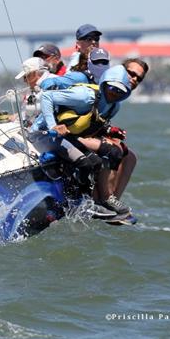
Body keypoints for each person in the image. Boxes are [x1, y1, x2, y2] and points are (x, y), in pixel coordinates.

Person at [34, 61, 147, 221]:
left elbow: (91, 123)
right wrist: (53, 126)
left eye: (120, 92)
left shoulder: (114, 106)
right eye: (112, 88)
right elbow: (46, 97)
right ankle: (87, 202)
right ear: (105, 83)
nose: (115, 93)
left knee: (108, 157)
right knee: (92, 160)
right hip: (46, 135)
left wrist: (109, 131)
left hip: (72, 136)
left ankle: (103, 200)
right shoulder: (85, 96)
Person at [40, 47, 110, 91]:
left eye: (104, 62)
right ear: (89, 62)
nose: (100, 65)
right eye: (96, 62)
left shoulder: (110, 81)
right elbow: (48, 82)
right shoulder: (79, 78)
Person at [14, 56, 56, 126]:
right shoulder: (31, 89)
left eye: (26, 76)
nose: (24, 80)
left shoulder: (54, 81)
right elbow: (24, 113)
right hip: (32, 130)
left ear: (35, 73)